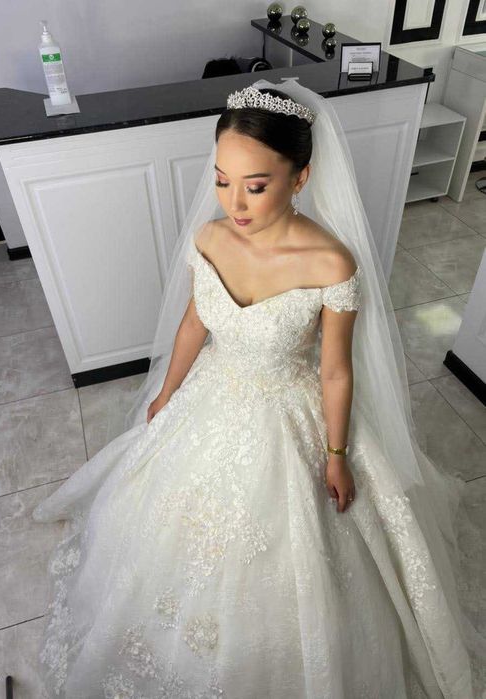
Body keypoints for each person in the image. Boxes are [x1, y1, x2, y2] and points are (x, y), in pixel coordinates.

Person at [32, 79, 485, 698]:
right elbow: (194, 324)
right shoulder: (210, 238)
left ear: (300, 178)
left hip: (288, 412)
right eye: (222, 181)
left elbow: (335, 370)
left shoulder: (330, 262)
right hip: (214, 391)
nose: (234, 202)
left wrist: (336, 453)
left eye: (255, 185)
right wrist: (167, 392)